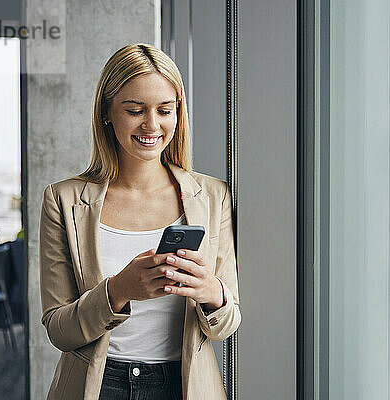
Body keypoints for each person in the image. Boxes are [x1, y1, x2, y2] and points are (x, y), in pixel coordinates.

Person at [39, 43, 241, 400]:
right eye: (134, 110)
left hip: (182, 385)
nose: (152, 125)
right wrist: (118, 291)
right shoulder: (64, 200)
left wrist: (211, 293)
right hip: (99, 386)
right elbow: (59, 330)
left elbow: (226, 325)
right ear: (107, 112)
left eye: (165, 110)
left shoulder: (213, 196)